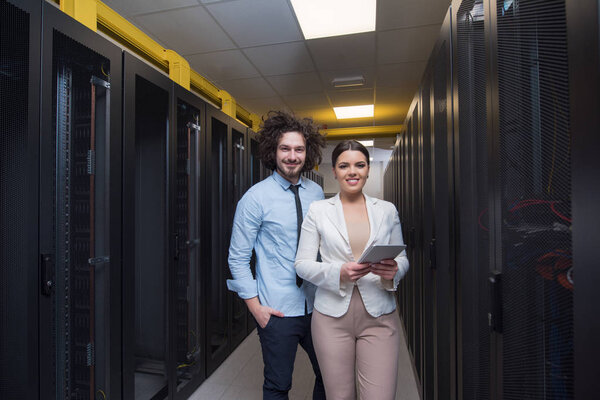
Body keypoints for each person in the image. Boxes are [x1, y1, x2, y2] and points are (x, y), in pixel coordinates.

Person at [295, 140, 410, 400]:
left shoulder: (387, 210)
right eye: (344, 165)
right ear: (333, 171)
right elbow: (301, 264)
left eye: (359, 165)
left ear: (368, 169)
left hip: (380, 316)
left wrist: (394, 270)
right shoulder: (318, 211)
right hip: (331, 319)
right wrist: (338, 273)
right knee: (339, 396)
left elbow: (402, 257)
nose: (352, 171)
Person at [227, 110, 327, 400]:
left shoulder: (316, 193)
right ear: (274, 151)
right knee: (277, 386)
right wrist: (256, 309)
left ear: (308, 153)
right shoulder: (255, 198)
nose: (292, 156)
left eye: (299, 149)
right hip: (277, 311)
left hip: (318, 306)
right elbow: (237, 258)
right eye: (285, 148)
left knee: (330, 376)